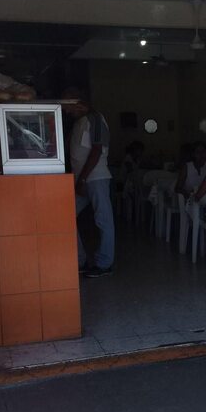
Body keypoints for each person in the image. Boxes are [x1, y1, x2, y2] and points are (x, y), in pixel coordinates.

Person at [62, 89, 114, 278]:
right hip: (82, 179)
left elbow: (97, 150)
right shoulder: (79, 122)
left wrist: (82, 179)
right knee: (66, 216)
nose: (66, 111)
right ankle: (80, 260)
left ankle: (104, 263)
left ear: (78, 102)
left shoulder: (95, 118)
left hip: (96, 177)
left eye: (68, 106)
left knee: (103, 220)